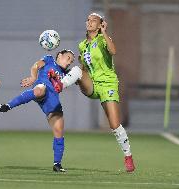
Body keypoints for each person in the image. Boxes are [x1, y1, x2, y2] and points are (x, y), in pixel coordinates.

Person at [50, 13, 135, 172]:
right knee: (76, 69)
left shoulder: (103, 40)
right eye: (88, 20)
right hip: (92, 85)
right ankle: (60, 85)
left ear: (100, 24)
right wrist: (78, 79)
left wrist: (104, 32)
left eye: (93, 20)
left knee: (115, 125)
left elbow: (113, 51)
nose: (89, 22)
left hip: (108, 84)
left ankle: (128, 156)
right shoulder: (82, 45)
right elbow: (82, 67)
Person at [0, 49, 75, 172]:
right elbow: (36, 65)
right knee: (39, 90)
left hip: (52, 101)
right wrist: (33, 77)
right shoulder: (49, 59)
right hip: (41, 87)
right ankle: (7, 106)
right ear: (60, 55)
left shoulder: (67, 74)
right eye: (68, 58)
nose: (70, 62)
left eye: (72, 61)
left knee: (59, 130)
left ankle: (57, 164)